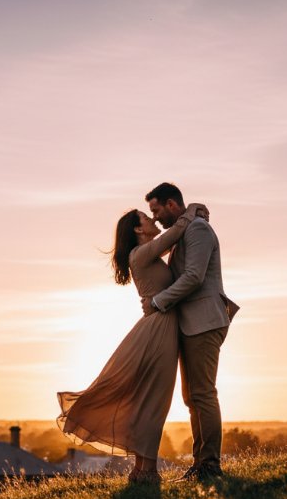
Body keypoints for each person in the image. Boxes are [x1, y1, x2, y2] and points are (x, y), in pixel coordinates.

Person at [57, 202, 207, 483]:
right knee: (154, 401)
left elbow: (170, 241)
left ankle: (142, 469)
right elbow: (176, 232)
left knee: (148, 400)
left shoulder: (145, 254)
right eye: (145, 217)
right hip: (158, 330)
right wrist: (193, 209)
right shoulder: (140, 254)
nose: (152, 219)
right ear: (138, 229)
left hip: (159, 328)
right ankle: (147, 470)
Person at [144, 182, 238, 482]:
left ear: (172, 205)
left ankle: (209, 466)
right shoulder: (187, 229)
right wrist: (195, 208)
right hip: (191, 323)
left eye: (157, 210)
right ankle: (200, 465)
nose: (156, 218)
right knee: (192, 397)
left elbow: (194, 277)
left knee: (203, 394)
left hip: (204, 322)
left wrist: (159, 301)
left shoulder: (197, 231)